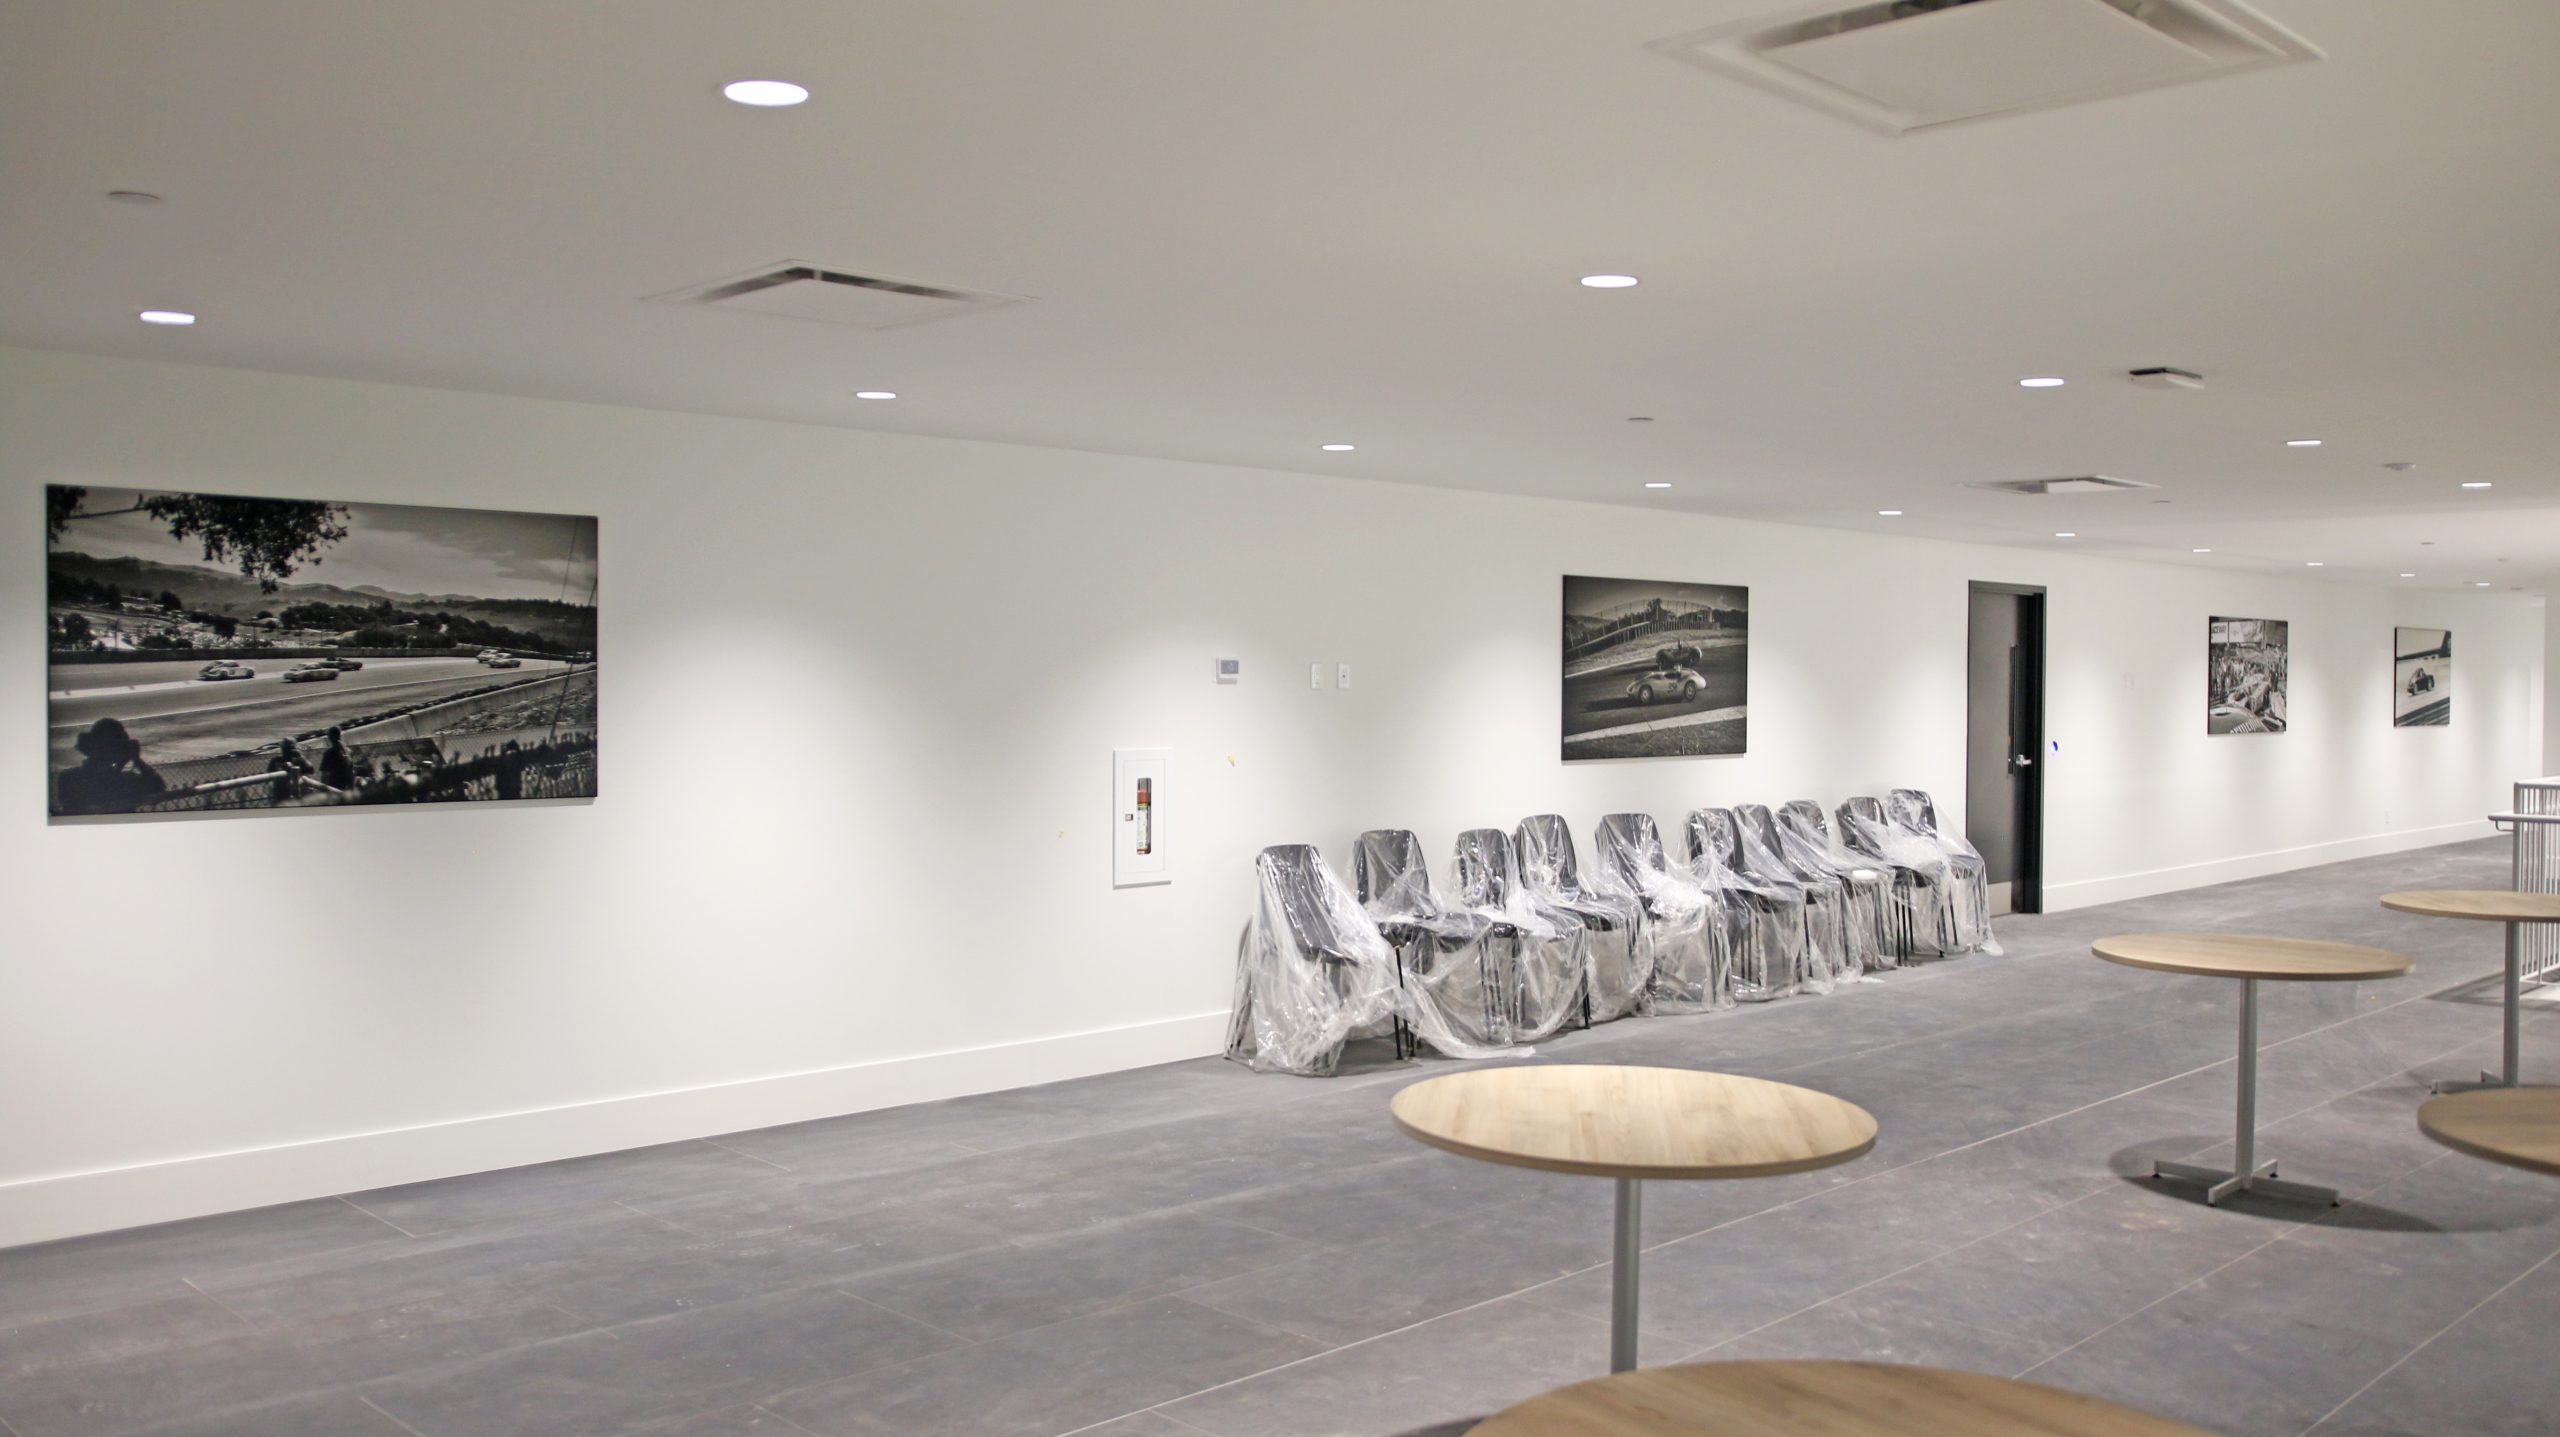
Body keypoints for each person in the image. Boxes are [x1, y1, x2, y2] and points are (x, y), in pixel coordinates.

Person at [55, 717, 166, 815]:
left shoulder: (68, 778)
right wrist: (137, 760)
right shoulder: (127, 781)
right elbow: (158, 787)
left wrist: (119, 766)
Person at [266, 737, 314, 805]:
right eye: (286, 747)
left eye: (290, 747)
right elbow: (269, 775)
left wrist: (301, 756)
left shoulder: (298, 760)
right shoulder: (276, 760)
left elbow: (311, 770)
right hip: (280, 793)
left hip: (296, 793)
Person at [318, 727, 356, 792]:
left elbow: (325, 774)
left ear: (329, 737)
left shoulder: (329, 753)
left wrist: (323, 789)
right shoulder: (348, 751)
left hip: (334, 787)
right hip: (347, 787)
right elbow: (352, 771)